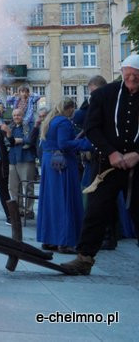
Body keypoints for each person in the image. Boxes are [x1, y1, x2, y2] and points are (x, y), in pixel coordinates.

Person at [62, 55, 139, 274]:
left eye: (137, 75)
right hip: (107, 164)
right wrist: (111, 152)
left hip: (137, 167)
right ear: (122, 72)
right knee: (95, 211)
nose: (132, 78)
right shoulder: (105, 95)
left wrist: (137, 154)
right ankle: (84, 259)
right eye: (129, 73)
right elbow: (92, 128)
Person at [37, 98, 92, 254]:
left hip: (50, 162)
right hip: (61, 164)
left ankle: (49, 240)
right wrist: (87, 144)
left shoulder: (50, 120)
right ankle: (64, 242)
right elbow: (63, 144)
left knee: (51, 202)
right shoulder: (63, 122)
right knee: (64, 201)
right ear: (69, 109)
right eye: (73, 110)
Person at [6, 108, 37, 219]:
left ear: (23, 115)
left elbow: (31, 140)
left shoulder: (29, 126)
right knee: (14, 187)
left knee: (28, 186)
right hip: (13, 159)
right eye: (14, 115)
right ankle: (18, 210)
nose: (16, 117)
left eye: (18, 115)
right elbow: (7, 141)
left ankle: (29, 211)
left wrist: (20, 140)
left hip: (26, 159)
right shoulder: (10, 127)